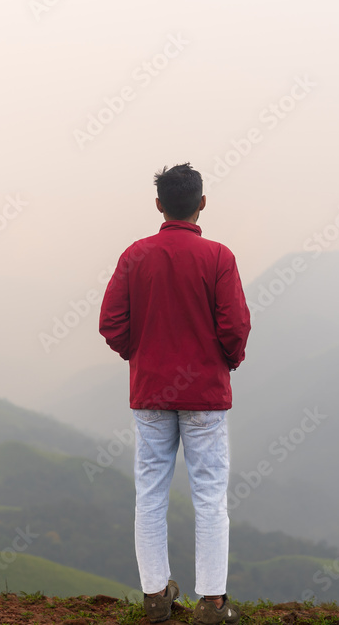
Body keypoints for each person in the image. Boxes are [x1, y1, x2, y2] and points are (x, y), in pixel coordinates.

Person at [99, 163, 251, 624]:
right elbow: (235, 326)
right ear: (202, 203)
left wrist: (139, 353)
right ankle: (212, 603)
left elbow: (110, 323)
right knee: (209, 497)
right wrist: (227, 360)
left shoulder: (135, 256)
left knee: (150, 494)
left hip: (150, 394)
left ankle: (155, 598)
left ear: (159, 204)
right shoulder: (219, 258)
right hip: (205, 395)